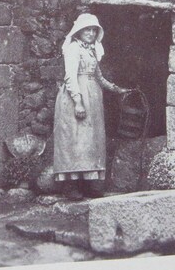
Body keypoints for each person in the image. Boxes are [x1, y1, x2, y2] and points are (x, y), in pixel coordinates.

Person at [52, 13, 129, 200]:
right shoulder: (73, 48)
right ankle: (71, 186)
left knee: (90, 140)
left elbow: (98, 76)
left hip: (93, 98)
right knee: (75, 139)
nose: (91, 33)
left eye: (94, 30)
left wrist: (115, 88)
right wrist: (78, 102)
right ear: (79, 31)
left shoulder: (92, 50)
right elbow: (70, 76)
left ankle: (89, 184)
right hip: (75, 96)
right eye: (87, 29)